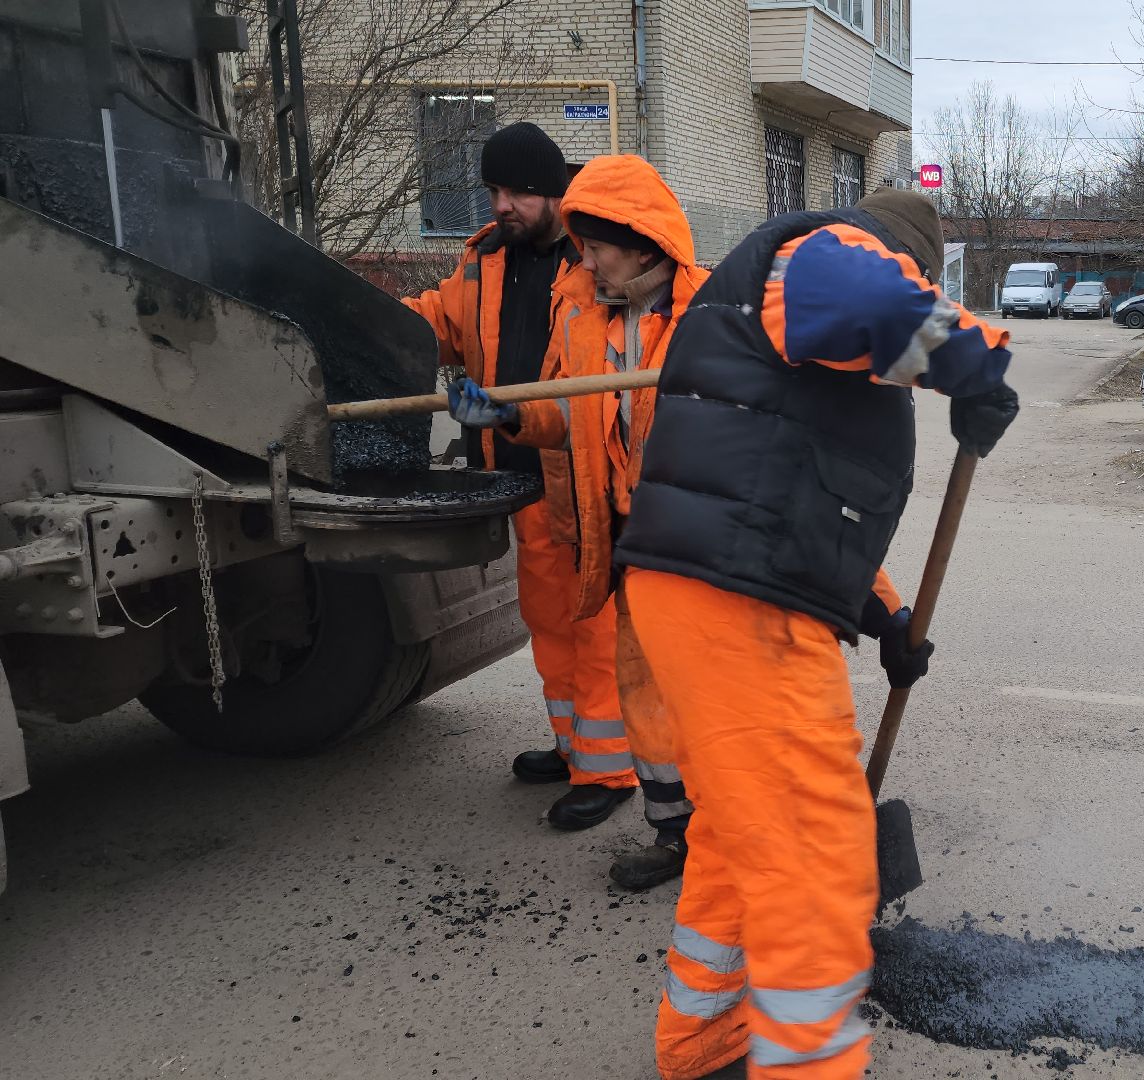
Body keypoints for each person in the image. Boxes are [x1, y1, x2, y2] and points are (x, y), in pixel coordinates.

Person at [615, 190, 1019, 1080]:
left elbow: (796, 496)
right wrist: (976, 361)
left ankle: (705, 1042)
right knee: (813, 861)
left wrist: (887, 616)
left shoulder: (792, 328)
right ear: (905, 260)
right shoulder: (823, 255)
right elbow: (881, 303)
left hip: (713, 591)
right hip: (736, 608)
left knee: (738, 837)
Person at [445, 154, 708, 889]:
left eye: (596, 246)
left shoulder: (710, 319)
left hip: (700, 549)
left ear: (642, 236)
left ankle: (741, 837)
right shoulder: (588, 314)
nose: (583, 259)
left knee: (710, 699)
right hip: (627, 541)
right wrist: (510, 414)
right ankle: (677, 835)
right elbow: (568, 412)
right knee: (645, 695)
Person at [403, 123, 638, 831]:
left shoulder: (594, 259)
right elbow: (434, 324)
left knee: (593, 626)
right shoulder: (483, 263)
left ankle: (611, 768)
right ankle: (575, 750)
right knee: (548, 622)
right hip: (517, 473)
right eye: (495, 190)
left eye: (519, 192)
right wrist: (363, 323)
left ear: (553, 192)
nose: (503, 205)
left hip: (581, 475)